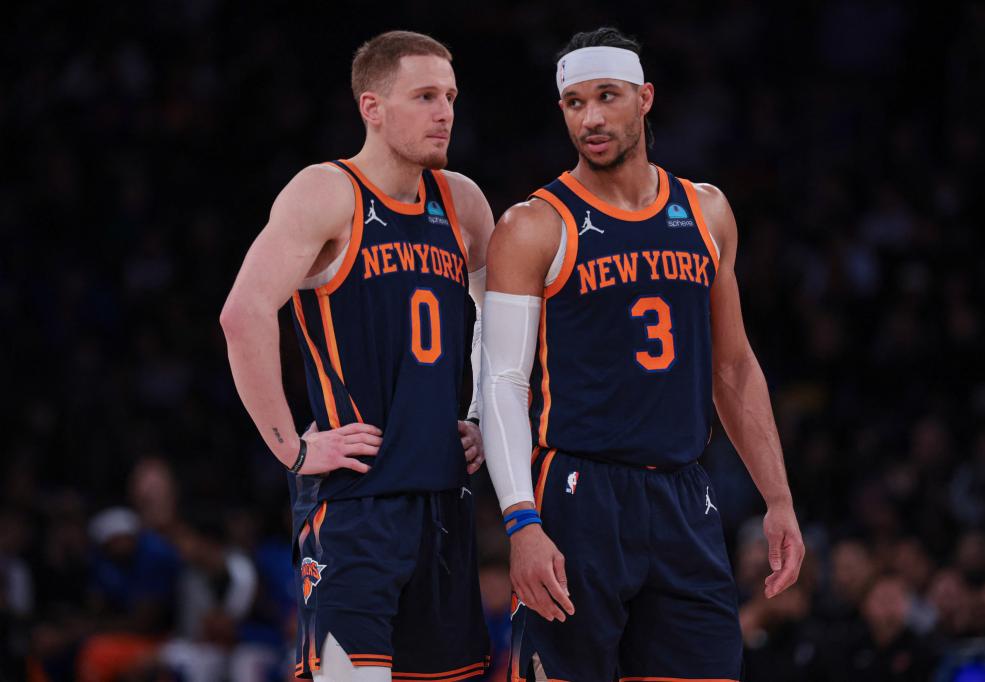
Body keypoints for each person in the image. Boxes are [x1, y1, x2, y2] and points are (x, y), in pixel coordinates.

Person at [480, 27, 804, 681]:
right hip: (578, 494)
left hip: (685, 495)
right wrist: (521, 522)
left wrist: (779, 499)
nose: (592, 117)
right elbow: (503, 381)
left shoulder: (706, 211)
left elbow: (733, 366)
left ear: (645, 98)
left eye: (607, 96)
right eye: (575, 102)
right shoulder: (534, 225)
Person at [220, 30, 493, 682]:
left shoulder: (464, 202)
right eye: (425, 96)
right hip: (356, 507)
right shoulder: (328, 191)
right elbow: (244, 312)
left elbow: (505, 323)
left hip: (446, 505)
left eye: (450, 96)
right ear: (372, 107)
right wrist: (294, 448)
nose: (444, 111)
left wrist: (482, 414)